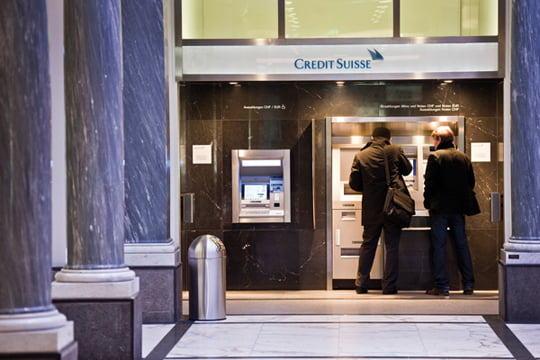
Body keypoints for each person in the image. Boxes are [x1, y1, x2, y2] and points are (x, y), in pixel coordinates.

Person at [350, 127, 412, 294]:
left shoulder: (361, 155)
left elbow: (354, 184)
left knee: (368, 244)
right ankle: (389, 286)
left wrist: (370, 187)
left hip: (371, 207)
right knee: (392, 246)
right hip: (393, 205)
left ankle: (361, 284)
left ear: (372, 137)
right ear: (389, 138)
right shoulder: (395, 150)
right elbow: (407, 170)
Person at [423, 126, 477, 296]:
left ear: (438, 140)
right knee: (462, 245)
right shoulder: (464, 157)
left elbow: (429, 184)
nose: (433, 142)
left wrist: (427, 202)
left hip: (440, 208)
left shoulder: (435, 156)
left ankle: (442, 286)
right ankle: (468, 285)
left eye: (434, 139)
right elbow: (471, 182)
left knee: (439, 246)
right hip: (459, 208)